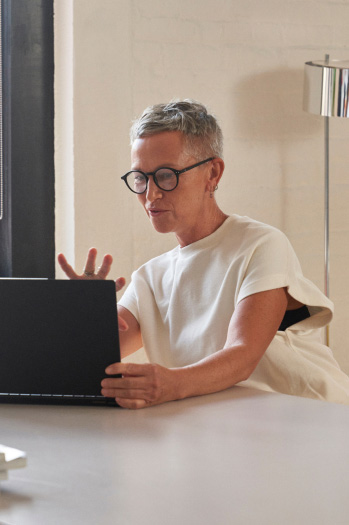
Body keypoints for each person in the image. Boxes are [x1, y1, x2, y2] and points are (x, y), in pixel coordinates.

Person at [59, 99, 349, 409]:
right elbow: (93, 357)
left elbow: (242, 356)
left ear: (212, 173)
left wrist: (170, 384)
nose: (150, 195)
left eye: (166, 175)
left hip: (316, 419)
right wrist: (84, 311)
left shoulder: (260, 245)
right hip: (232, 428)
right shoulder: (150, 277)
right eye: (141, 178)